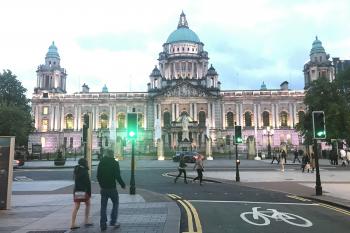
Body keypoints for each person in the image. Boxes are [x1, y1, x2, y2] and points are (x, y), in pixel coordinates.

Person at [97, 148, 126, 231]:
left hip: (104, 188)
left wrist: (101, 184)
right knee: (115, 203)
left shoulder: (101, 162)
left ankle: (103, 224)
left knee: (103, 206)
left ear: (106, 154)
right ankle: (113, 221)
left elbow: (98, 176)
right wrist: (122, 184)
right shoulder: (115, 163)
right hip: (112, 188)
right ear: (112, 154)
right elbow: (117, 176)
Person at [70, 158, 92, 230]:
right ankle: (86, 220)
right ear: (84, 163)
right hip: (83, 191)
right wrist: (89, 193)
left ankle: (72, 223)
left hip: (76, 190)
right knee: (88, 204)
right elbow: (88, 183)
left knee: (76, 207)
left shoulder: (77, 169)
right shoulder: (84, 171)